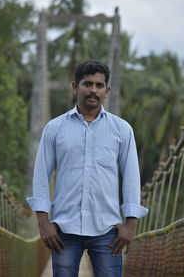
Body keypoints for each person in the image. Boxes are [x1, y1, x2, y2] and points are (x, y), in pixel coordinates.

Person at [27, 59, 148, 277]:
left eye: (99, 85)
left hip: (108, 231)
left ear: (107, 90)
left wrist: (130, 224)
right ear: (75, 87)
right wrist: (43, 222)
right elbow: (40, 175)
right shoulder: (54, 128)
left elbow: (131, 176)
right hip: (64, 230)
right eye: (87, 84)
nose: (93, 90)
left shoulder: (122, 130)